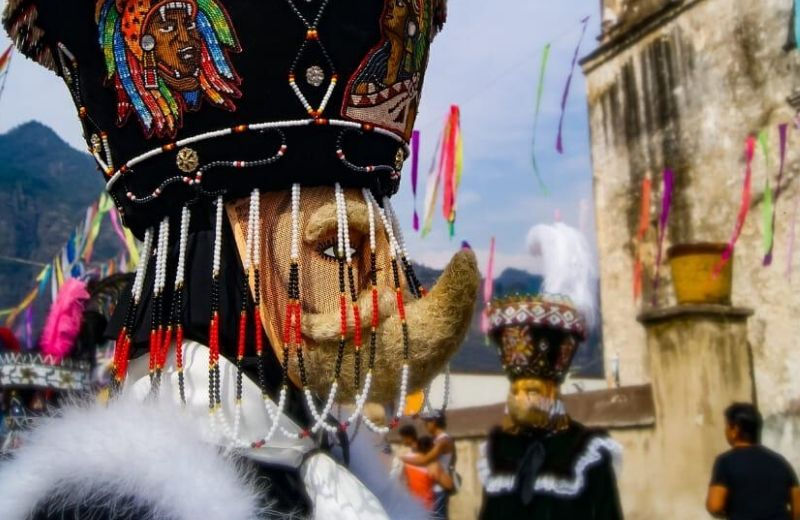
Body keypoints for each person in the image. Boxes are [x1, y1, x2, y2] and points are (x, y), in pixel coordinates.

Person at [0, 1, 483, 519]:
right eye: (338, 248)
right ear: (228, 254)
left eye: (392, 263)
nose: (388, 292)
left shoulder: (339, 473)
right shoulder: (110, 505)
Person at [477, 223, 624, 520]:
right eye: (517, 391)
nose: (520, 399)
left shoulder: (587, 450)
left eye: (530, 390)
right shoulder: (498, 450)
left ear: (551, 392)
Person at [706, 403, 800, 520]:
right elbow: (797, 509)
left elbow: (715, 506)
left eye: (727, 426)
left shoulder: (726, 462)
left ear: (735, 429)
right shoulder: (780, 462)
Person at [401, 411, 455, 518]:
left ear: (434, 422)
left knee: (437, 517)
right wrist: (419, 416)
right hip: (431, 486)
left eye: (427, 423)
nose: (425, 426)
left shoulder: (443, 441)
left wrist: (401, 458)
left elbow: (425, 460)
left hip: (439, 486)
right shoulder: (436, 439)